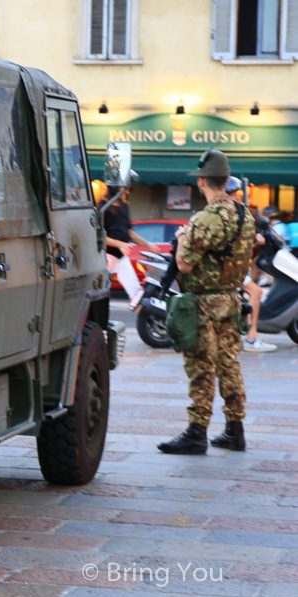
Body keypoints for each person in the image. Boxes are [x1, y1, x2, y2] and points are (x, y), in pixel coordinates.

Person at [158, 150, 256, 455]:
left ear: (202, 182)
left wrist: (182, 237)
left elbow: (185, 265)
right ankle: (234, 430)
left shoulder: (203, 219)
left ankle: (197, 432)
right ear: (226, 181)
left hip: (203, 304)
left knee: (201, 366)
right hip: (231, 298)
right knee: (229, 364)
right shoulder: (244, 215)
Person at [224, 177, 277, 352]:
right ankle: (251, 338)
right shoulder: (228, 213)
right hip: (227, 268)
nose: (237, 197)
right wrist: (256, 238)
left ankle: (246, 331)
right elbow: (235, 235)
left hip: (231, 265)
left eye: (237, 193)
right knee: (256, 291)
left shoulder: (226, 211)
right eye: (234, 193)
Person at [101, 186, 161, 310]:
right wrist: (119, 244)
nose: (127, 192)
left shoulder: (124, 207)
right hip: (104, 256)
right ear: (114, 189)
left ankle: (146, 324)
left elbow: (129, 233)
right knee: (98, 293)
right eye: (124, 189)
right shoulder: (102, 206)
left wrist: (147, 244)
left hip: (120, 257)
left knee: (136, 293)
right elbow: (98, 235)